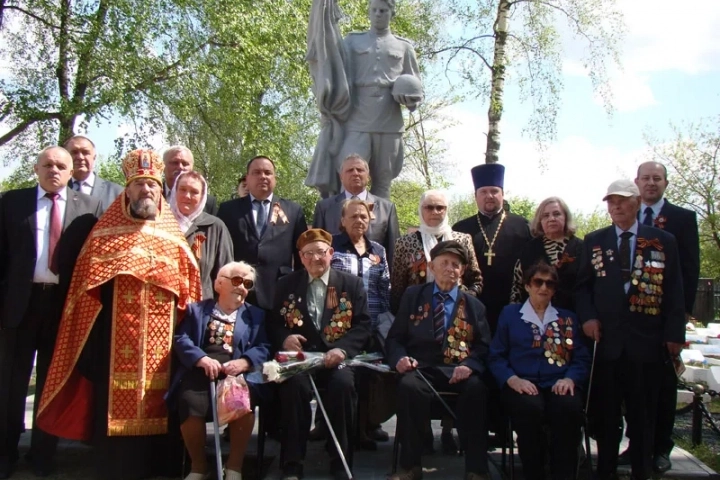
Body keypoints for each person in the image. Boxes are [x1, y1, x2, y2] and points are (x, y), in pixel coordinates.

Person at [36, 149, 202, 480]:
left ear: (160, 192)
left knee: (164, 411)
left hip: (164, 350)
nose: (146, 191)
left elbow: (191, 296)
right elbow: (84, 291)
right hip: (113, 346)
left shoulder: (175, 241)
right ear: (127, 190)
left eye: (152, 185)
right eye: (139, 185)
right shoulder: (103, 235)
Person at [0, 146, 101, 478]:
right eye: (48, 164)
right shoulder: (12, 203)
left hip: (62, 307)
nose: (53, 170)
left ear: (71, 172)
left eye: (61, 166)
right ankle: (6, 451)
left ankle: (43, 453)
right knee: (10, 383)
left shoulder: (87, 210)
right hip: (19, 306)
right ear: (36, 168)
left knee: (51, 381)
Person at [575, 179, 685, 480]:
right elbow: (582, 288)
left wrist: (675, 335)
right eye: (611, 201)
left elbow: (675, 290)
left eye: (622, 200)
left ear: (636, 202)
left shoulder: (662, 240)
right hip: (607, 344)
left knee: (643, 415)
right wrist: (587, 318)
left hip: (646, 343)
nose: (616, 206)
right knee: (606, 416)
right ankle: (606, 472)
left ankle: (642, 471)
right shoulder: (595, 240)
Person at [614, 162, 702, 473]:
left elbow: (688, 274)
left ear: (665, 182)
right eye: (645, 179)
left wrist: (677, 323)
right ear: (636, 182)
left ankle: (660, 449)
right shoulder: (625, 213)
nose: (651, 183)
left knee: (662, 389)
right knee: (631, 390)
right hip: (627, 324)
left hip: (660, 322)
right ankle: (636, 446)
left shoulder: (682, 219)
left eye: (657, 178)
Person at [267, 229, 371, 480]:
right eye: (309, 254)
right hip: (300, 360)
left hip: (336, 358)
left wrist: (342, 348)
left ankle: (340, 459)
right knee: (294, 388)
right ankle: (292, 462)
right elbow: (273, 323)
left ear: (331, 254)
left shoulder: (351, 283)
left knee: (344, 386)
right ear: (301, 257)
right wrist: (285, 338)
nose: (316, 259)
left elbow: (363, 324)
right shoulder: (286, 284)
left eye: (321, 252)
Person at [386, 240, 492, 480]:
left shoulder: (475, 306)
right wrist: (400, 358)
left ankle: (477, 469)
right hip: (421, 368)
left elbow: (484, 347)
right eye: (444, 262)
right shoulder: (413, 296)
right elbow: (394, 339)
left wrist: (470, 365)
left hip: (458, 371)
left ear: (462, 271)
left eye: (455, 264)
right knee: (408, 387)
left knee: (477, 390)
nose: (449, 268)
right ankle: (410, 467)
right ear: (432, 266)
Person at [306, 0, 422, 199]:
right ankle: (345, 225)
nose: (378, 14)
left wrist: (412, 100)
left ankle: (382, 227)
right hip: (356, 122)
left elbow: (416, 88)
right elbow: (331, 58)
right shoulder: (352, 41)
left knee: (383, 183)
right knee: (350, 177)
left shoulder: (404, 48)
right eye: (374, 10)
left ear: (391, 13)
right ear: (369, 12)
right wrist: (322, 22)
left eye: (383, 10)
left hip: (389, 124)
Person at [167, 262, 271, 480]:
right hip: (201, 372)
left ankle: (234, 468)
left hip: (237, 374)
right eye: (236, 280)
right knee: (189, 401)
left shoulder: (256, 315)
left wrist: (244, 361)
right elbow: (181, 339)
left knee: (243, 403)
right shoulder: (197, 310)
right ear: (218, 284)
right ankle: (199, 467)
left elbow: (263, 347)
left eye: (247, 283)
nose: (242, 287)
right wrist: (201, 358)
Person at [489, 261, 590, 480]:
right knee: (529, 409)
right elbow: (496, 355)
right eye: (538, 282)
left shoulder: (567, 318)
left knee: (568, 408)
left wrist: (571, 379)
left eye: (550, 284)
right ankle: (534, 473)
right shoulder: (510, 314)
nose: (543, 288)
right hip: (522, 383)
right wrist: (512, 379)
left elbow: (581, 357)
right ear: (527, 285)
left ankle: (562, 474)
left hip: (558, 383)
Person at [330, 199, 391, 448]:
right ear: (343, 221)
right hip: (339, 326)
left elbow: (384, 287)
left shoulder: (378, 251)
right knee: (341, 378)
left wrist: (386, 321)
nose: (359, 220)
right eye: (353, 216)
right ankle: (332, 429)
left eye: (363, 216)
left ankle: (363, 428)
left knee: (367, 377)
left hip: (372, 324)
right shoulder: (332, 246)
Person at [217, 155, 308, 311]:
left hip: (279, 291)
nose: (263, 177)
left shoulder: (293, 211)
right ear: (247, 178)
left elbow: (301, 254)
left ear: (275, 178)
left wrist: (300, 289)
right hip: (239, 290)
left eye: (268, 172)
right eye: (257, 172)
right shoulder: (228, 210)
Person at [453, 164, 531, 333]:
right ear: (476, 196)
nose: (489, 196)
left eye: (494, 191)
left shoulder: (523, 226)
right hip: (470, 305)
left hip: (512, 305)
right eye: (483, 192)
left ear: (502, 194)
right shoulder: (460, 228)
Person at [392, 190, 483, 314]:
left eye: (440, 207)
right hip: (417, 313)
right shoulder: (404, 243)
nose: (434, 212)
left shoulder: (462, 240)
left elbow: (476, 280)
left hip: (457, 313)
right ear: (421, 209)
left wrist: (465, 300)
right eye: (429, 207)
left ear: (446, 210)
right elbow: (397, 288)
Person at [313, 154, 400, 268]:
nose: (355, 173)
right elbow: (315, 246)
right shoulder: (324, 208)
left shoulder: (387, 209)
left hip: (373, 277)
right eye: (350, 170)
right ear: (341, 176)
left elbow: (394, 251)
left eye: (360, 170)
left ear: (368, 176)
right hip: (335, 278)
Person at [509, 197, 584, 311]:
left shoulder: (581, 248)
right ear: (540, 220)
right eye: (546, 215)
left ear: (565, 217)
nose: (551, 219)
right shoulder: (529, 249)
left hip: (571, 317)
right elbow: (517, 287)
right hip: (533, 316)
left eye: (556, 214)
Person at [169, 171, 234, 300]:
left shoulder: (215, 227)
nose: (187, 196)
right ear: (175, 191)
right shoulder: (162, 223)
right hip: (165, 308)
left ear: (203, 196)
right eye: (182, 189)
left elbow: (226, 275)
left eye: (194, 192)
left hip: (201, 310)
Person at [64, 135, 123, 212]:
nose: (80, 157)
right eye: (74, 152)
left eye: (85, 152)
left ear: (94, 157)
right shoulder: (57, 189)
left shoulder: (116, 192)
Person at [162, 146, 218, 215]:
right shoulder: (152, 195)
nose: (180, 167)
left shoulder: (208, 202)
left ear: (192, 168)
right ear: (163, 166)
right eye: (175, 163)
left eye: (185, 164)